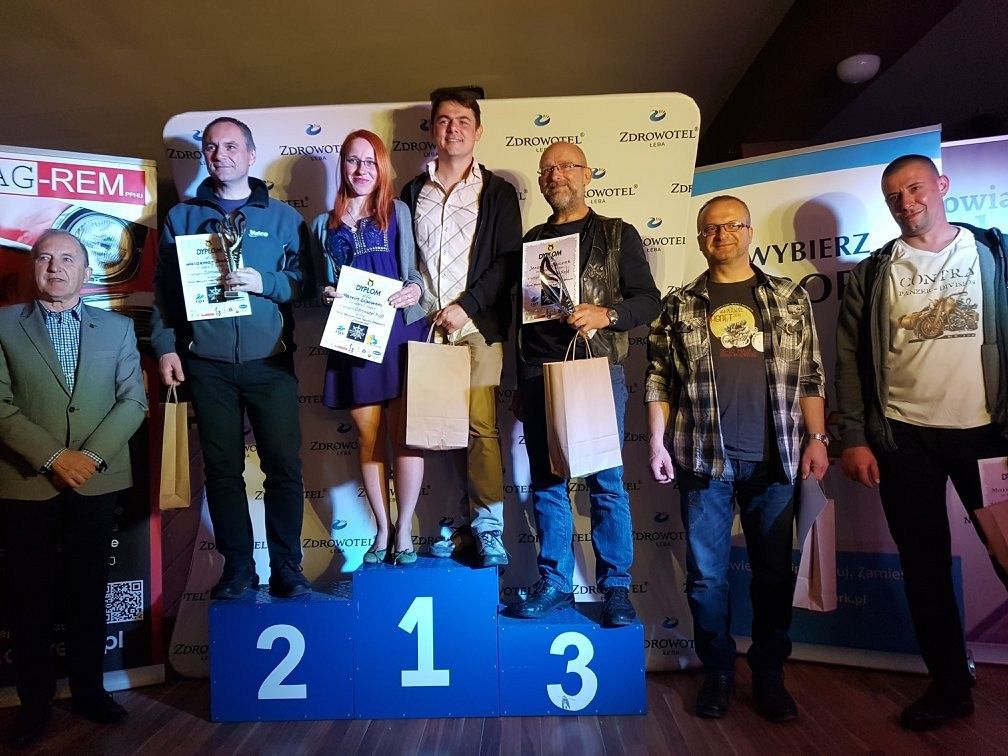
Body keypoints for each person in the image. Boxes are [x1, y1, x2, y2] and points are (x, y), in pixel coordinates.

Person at [835, 154, 1008, 731]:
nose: (906, 203)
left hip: (990, 436)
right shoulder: (874, 272)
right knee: (924, 569)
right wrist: (855, 437)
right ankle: (950, 687)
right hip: (903, 440)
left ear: (942, 186)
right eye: (894, 197)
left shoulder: (994, 252)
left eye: (915, 189)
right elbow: (849, 361)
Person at [646, 195, 828, 722]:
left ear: (749, 232)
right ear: (700, 239)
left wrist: (818, 437)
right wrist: (657, 442)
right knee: (707, 578)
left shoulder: (789, 298)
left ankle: (770, 674)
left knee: (773, 575)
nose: (721, 234)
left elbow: (811, 373)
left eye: (731, 225)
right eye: (710, 228)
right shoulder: (678, 306)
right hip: (703, 460)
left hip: (776, 460)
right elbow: (659, 379)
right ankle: (719, 673)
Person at [151, 116, 312, 599]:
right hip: (207, 365)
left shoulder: (283, 218)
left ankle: (287, 567)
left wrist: (269, 283)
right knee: (222, 472)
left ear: (250, 154)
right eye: (211, 147)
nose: (219, 155)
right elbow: (164, 290)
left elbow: (307, 284)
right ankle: (238, 567)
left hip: (270, 363)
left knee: (283, 468)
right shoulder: (182, 218)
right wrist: (165, 346)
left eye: (230, 146)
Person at [0, 230, 146, 746]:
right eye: (45, 258)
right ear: (32, 268)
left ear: (87, 271)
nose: (55, 267)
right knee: (29, 596)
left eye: (67, 259)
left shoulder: (119, 329)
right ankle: (34, 704)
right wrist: (54, 457)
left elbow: (133, 401)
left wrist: (89, 458)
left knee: (89, 590)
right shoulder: (3, 325)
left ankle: (90, 692)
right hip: (26, 481)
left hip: (97, 480)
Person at [507, 140, 660, 627]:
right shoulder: (532, 240)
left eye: (566, 166)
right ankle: (554, 583)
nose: (556, 175)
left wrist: (607, 314)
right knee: (548, 482)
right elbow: (520, 321)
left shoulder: (617, 234)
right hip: (539, 374)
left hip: (596, 369)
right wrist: (519, 380)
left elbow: (648, 301)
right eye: (547, 170)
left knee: (606, 482)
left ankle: (615, 587)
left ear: (588, 174)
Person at [400, 87, 522, 568]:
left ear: (479, 131)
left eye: (463, 121)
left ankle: (489, 527)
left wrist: (465, 306)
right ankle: (458, 524)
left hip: (478, 327)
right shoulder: (413, 191)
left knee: (480, 428)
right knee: (439, 431)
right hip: (427, 330)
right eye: (444, 120)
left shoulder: (498, 191)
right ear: (433, 129)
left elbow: (509, 261)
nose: (453, 128)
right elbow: (404, 260)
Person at [311, 130, 427, 566]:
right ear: (342, 166)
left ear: (382, 167)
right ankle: (382, 528)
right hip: (353, 337)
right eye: (353, 160)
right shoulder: (322, 224)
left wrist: (415, 290)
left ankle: (405, 529)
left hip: (399, 333)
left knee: (407, 436)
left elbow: (414, 272)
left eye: (370, 161)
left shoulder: (397, 211)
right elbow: (317, 283)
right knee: (369, 437)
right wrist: (325, 292)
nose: (361, 169)